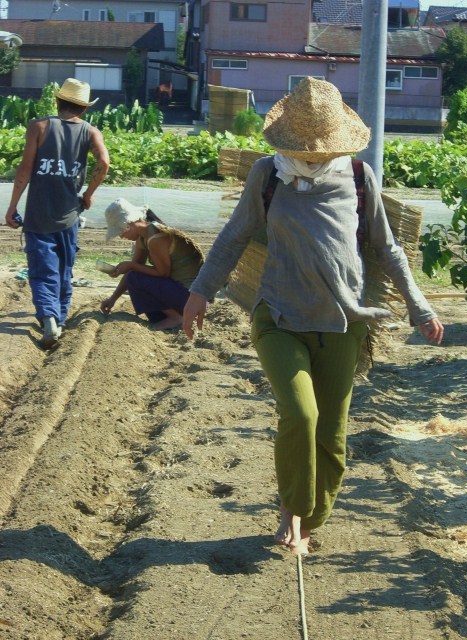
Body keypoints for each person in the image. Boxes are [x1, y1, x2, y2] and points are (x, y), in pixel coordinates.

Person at [183, 78, 444, 555]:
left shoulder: (359, 178)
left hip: (343, 323)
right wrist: (200, 291)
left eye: (319, 150)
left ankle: (311, 519)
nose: (311, 157)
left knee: (331, 436)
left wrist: (418, 305)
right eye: (303, 149)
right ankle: (293, 511)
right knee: (300, 415)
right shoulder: (268, 175)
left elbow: (387, 248)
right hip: (279, 316)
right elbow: (235, 234)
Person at [4, 77, 110, 350]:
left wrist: (12, 206)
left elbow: (25, 170)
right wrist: (88, 194)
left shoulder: (39, 126)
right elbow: (104, 162)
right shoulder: (91, 132)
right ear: (84, 108)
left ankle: (49, 319)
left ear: (57, 100)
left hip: (39, 214)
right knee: (64, 268)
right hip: (69, 214)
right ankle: (59, 319)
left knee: (42, 270)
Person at [100, 198, 204, 329]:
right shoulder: (143, 238)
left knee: (135, 277)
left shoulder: (156, 237)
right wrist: (112, 299)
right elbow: (133, 272)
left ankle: (176, 318)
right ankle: (174, 316)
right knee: (134, 277)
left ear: (129, 223)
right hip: (182, 296)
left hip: (191, 298)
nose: (121, 236)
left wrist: (130, 265)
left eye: (120, 231)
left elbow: (163, 273)